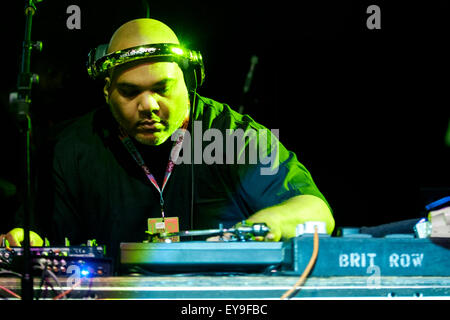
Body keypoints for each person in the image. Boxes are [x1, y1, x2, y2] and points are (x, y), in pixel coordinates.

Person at [1, 19, 334, 261]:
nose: (148, 106)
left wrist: (264, 225)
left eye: (162, 88)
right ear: (106, 92)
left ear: (189, 81)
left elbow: (318, 212)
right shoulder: (68, 148)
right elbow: (35, 235)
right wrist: (20, 241)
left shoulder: (234, 135)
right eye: (130, 92)